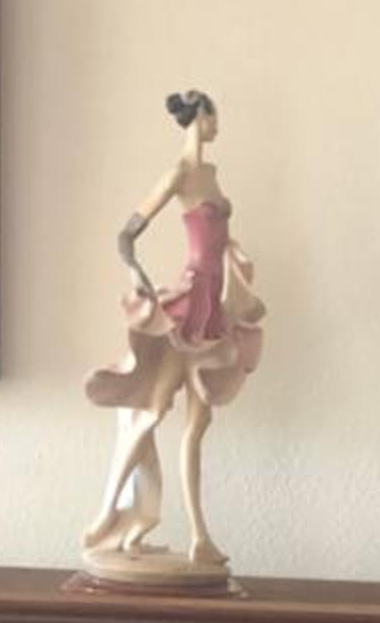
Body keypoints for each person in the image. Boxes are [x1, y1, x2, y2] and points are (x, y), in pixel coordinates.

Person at [82, 91, 265, 570]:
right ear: (199, 116)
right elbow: (126, 235)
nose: (217, 125)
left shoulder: (212, 175)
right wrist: (136, 275)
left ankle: (201, 537)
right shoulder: (178, 175)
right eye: (214, 116)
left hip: (214, 309)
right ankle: (105, 514)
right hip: (187, 307)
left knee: (198, 426)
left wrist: (239, 272)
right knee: (155, 409)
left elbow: (220, 240)